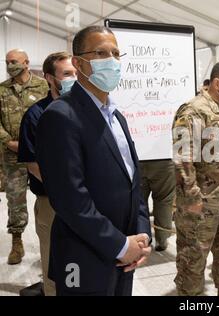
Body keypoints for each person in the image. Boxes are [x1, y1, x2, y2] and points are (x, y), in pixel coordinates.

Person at [35, 26, 152, 296]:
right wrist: (120, 246)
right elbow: (70, 200)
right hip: (84, 255)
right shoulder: (61, 116)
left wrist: (142, 235)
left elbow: (133, 181)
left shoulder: (116, 116)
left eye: (115, 53)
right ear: (78, 63)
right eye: (100, 53)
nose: (111, 60)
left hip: (126, 252)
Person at [172, 62, 219, 296]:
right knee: (193, 259)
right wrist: (192, 197)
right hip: (201, 203)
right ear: (217, 84)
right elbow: (183, 157)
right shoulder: (193, 110)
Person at [18, 51, 77, 296]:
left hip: (86, 200)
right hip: (52, 201)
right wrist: (65, 189)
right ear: (49, 78)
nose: (74, 78)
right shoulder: (35, 116)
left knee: (81, 259)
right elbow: (32, 164)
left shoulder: (85, 111)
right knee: (54, 261)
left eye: (75, 72)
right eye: (67, 74)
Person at [0, 49, 49, 265]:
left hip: (40, 154)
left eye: (14, 62)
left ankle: (49, 238)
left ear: (27, 63)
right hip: (12, 155)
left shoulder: (43, 86)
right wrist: (8, 141)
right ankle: (17, 242)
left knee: (47, 195)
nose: (10, 65)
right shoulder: (1, 90)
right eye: (7, 62)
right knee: (15, 198)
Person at [139, 159, 175, 252]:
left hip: (137, 157)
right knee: (164, 202)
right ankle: (162, 241)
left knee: (138, 201)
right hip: (164, 159)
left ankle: (142, 239)